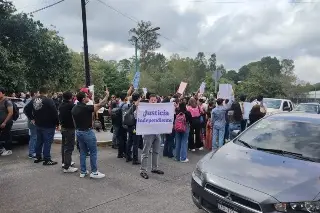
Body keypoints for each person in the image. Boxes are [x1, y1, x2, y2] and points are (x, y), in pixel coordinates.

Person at [71, 88, 109, 179]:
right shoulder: (86, 108)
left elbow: (74, 122)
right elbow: (101, 104)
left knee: (83, 152)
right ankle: (94, 172)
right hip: (87, 132)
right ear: (83, 99)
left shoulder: (74, 108)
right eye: (86, 96)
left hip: (79, 131)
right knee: (93, 152)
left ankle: (83, 171)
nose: (88, 97)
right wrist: (107, 95)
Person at [25, 86, 59, 165]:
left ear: (39, 92)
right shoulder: (49, 101)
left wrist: (32, 118)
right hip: (48, 125)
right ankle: (47, 159)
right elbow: (54, 113)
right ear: (47, 92)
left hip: (38, 124)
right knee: (47, 142)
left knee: (39, 141)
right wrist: (57, 123)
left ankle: (38, 157)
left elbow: (26, 109)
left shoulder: (34, 100)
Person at [139, 93, 164, 179]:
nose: (153, 101)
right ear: (149, 101)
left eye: (155, 100)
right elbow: (136, 116)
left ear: (157, 100)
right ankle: (143, 170)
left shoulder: (159, 109)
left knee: (156, 151)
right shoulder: (144, 109)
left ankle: (154, 168)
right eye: (152, 100)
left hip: (157, 133)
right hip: (148, 133)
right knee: (145, 152)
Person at [59, 91, 77, 173]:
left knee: (64, 146)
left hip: (63, 127)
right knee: (69, 147)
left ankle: (65, 162)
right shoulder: (71, 105)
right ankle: (67, 166)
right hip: (70, 128)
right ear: (71, 97)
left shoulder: (61, 105)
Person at [125, 92, 141, 165]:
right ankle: (135, 159)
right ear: (138, 98)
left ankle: (128, 156)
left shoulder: (130, 104)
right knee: (135, 143)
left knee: (130, 141)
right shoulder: (136, 105)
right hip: (135, 126)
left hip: (130, 126)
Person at [24, 90, 38, 158]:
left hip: (33, 122)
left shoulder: (34, 101)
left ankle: (34, 152)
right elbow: (25, 110)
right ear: (34, 94)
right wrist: (32, 118)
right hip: (32, 123)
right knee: (34, 137)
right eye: (38, 93)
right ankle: (31, 153)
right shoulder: (32, 101)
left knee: (35, 137)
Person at [0, 87, 14, 156]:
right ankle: (2, 148)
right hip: (1, 122)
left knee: (7, 135)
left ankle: (8, 150)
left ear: (3, 93)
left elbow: (10, 112)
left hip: (7, 122)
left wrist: (4, 122)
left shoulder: (7, 101)